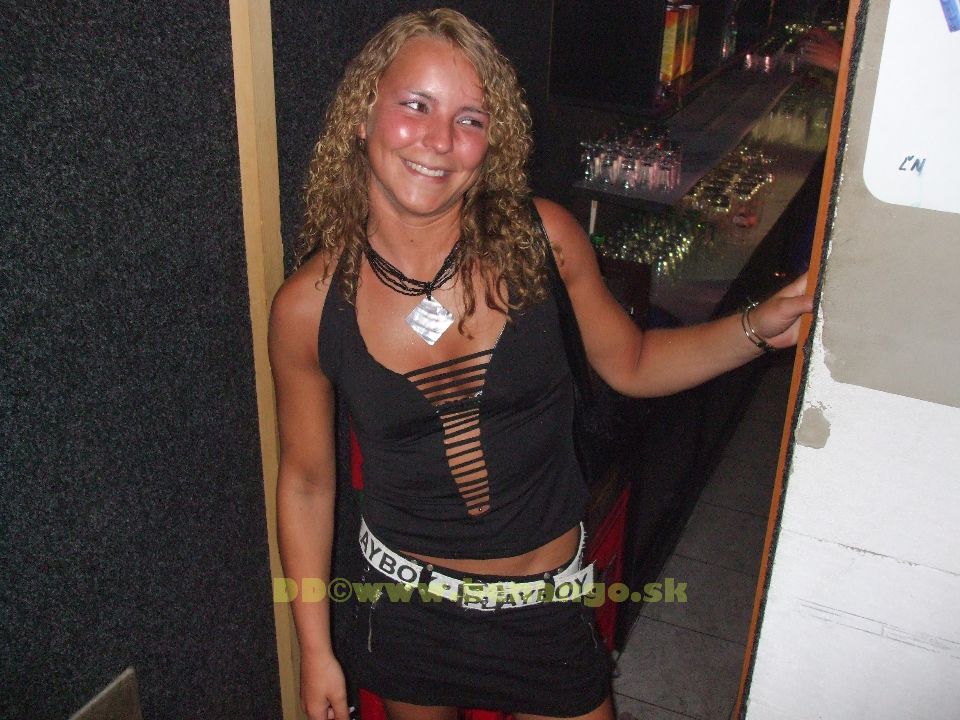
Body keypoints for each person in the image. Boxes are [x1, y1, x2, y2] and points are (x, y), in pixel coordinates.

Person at [269, 9, 813, 720]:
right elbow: (307, 483)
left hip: (544, 607)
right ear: (362, 115)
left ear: (492, 141)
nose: (440, 140)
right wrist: (315, 648)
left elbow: (634, 361)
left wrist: (754, 328)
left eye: (469, 119)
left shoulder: (542, 242)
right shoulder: (307, 306)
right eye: (416, 105)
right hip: (404, 612)